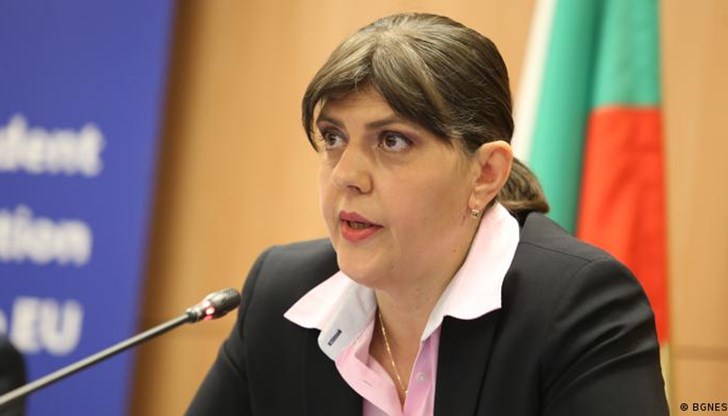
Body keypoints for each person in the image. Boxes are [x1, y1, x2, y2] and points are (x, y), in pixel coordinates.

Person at [186, 13, 668, 415]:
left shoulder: (577, 306)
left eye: (392, 141)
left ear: (485, 174)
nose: (345, 175)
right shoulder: (281, 294)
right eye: (333, 137)